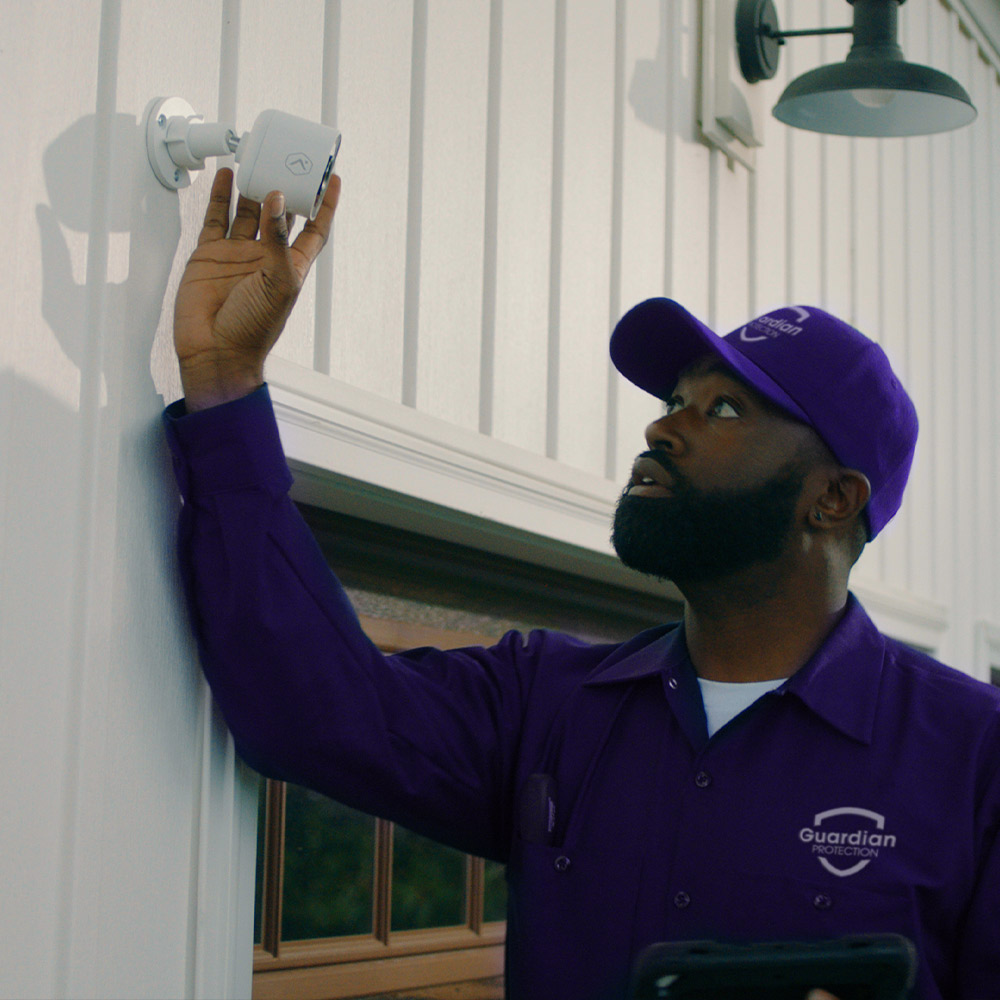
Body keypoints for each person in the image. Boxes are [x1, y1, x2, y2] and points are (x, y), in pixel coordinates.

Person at [164, 169, 1000, 1000]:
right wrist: (227, 383)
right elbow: (313, 710)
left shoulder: (973, 755)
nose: (662, 425)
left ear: (832, 499)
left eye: (724, 411)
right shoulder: (547, 704)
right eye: (678, 398)